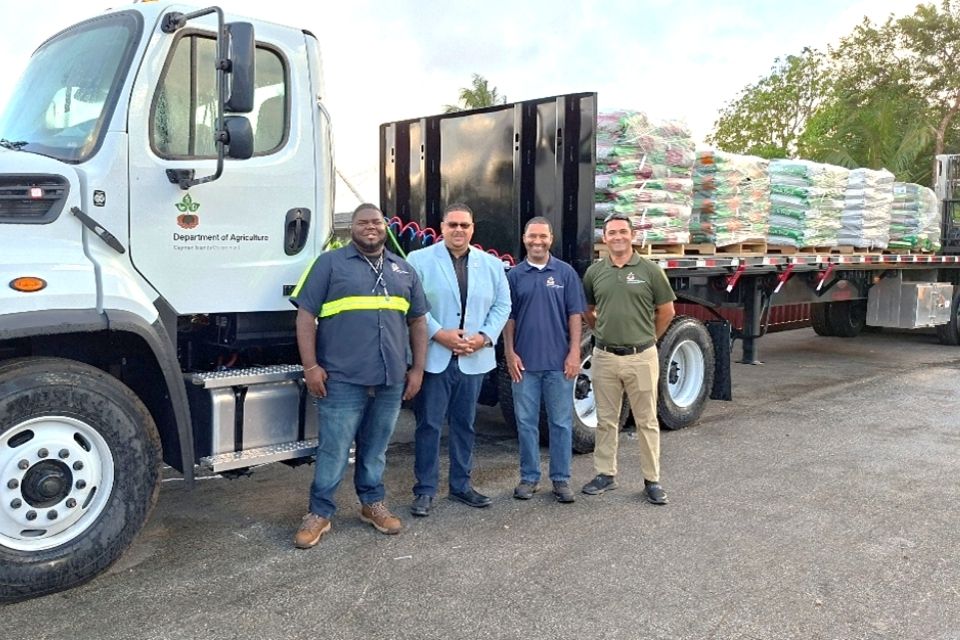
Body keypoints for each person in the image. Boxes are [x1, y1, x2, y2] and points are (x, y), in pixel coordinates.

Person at [289, 203, 428, 548]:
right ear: (351, 228)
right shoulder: (329, 264)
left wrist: (417, 369)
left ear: (385, 228)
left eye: (377, 222)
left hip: (390, 377)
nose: (371, 227)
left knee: (376, 448)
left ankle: (372, 504)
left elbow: (418, 321)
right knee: (334, 450)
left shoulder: (404, 270)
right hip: (341, 377)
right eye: (363, 222)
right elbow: (305, 317)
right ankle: (319, 513)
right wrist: (311, 367)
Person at [406, 202, 511, 516]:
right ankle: (425, 490)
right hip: (436, 357)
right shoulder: (419, 260)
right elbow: (414, 304)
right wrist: (440, 334)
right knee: (429, 425)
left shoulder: (491, 265)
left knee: (465, 424)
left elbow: (503, 306)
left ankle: (461, 486)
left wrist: (482, 338)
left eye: (464, 225)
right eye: (453, 225)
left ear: (473, 228)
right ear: (442, 227)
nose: (459, 231)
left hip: (473, 359)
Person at [581, 212, 676, 505]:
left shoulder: (650, 270)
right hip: (605, 357)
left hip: (641, 356)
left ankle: (652, 480)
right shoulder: (595, 272)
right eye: (612, 232)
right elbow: (589, 310)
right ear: (604, 238)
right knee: (606, 420)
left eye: (623, 231)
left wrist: (647, 341)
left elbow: (667, 312)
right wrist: (604, 333)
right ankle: (605, 474)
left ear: (632, 235)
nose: (618, 237)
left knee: (646, 420)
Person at [503, 216, 585, 504]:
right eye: (532, 236)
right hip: (524, 366)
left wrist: (575, 353)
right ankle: (529, 477)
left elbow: (575, 315)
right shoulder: (514, 276)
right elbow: (508, 317)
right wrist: (509, 352)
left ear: (551, 239)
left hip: (559, 364)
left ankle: (561, 480)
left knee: (561, 423)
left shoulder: (565, 274)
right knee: (526, 423)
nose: (537, 241)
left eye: (543, 237)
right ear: (524, 238)